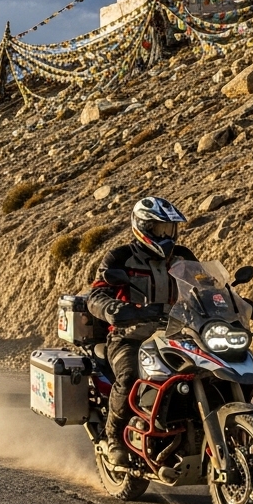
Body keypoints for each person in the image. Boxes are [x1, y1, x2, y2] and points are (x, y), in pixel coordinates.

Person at [87, 197, 194, 467]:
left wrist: (235, 303)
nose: (166, 235)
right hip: (130, 337)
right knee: (130, 376)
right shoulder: (120, 257)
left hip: (177, 337)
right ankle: (115, 438)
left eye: (169, 230)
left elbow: (205, 286)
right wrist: (113, 308)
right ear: (143, 227)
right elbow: (96, 295)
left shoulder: (184, 258)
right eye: (159, 229)